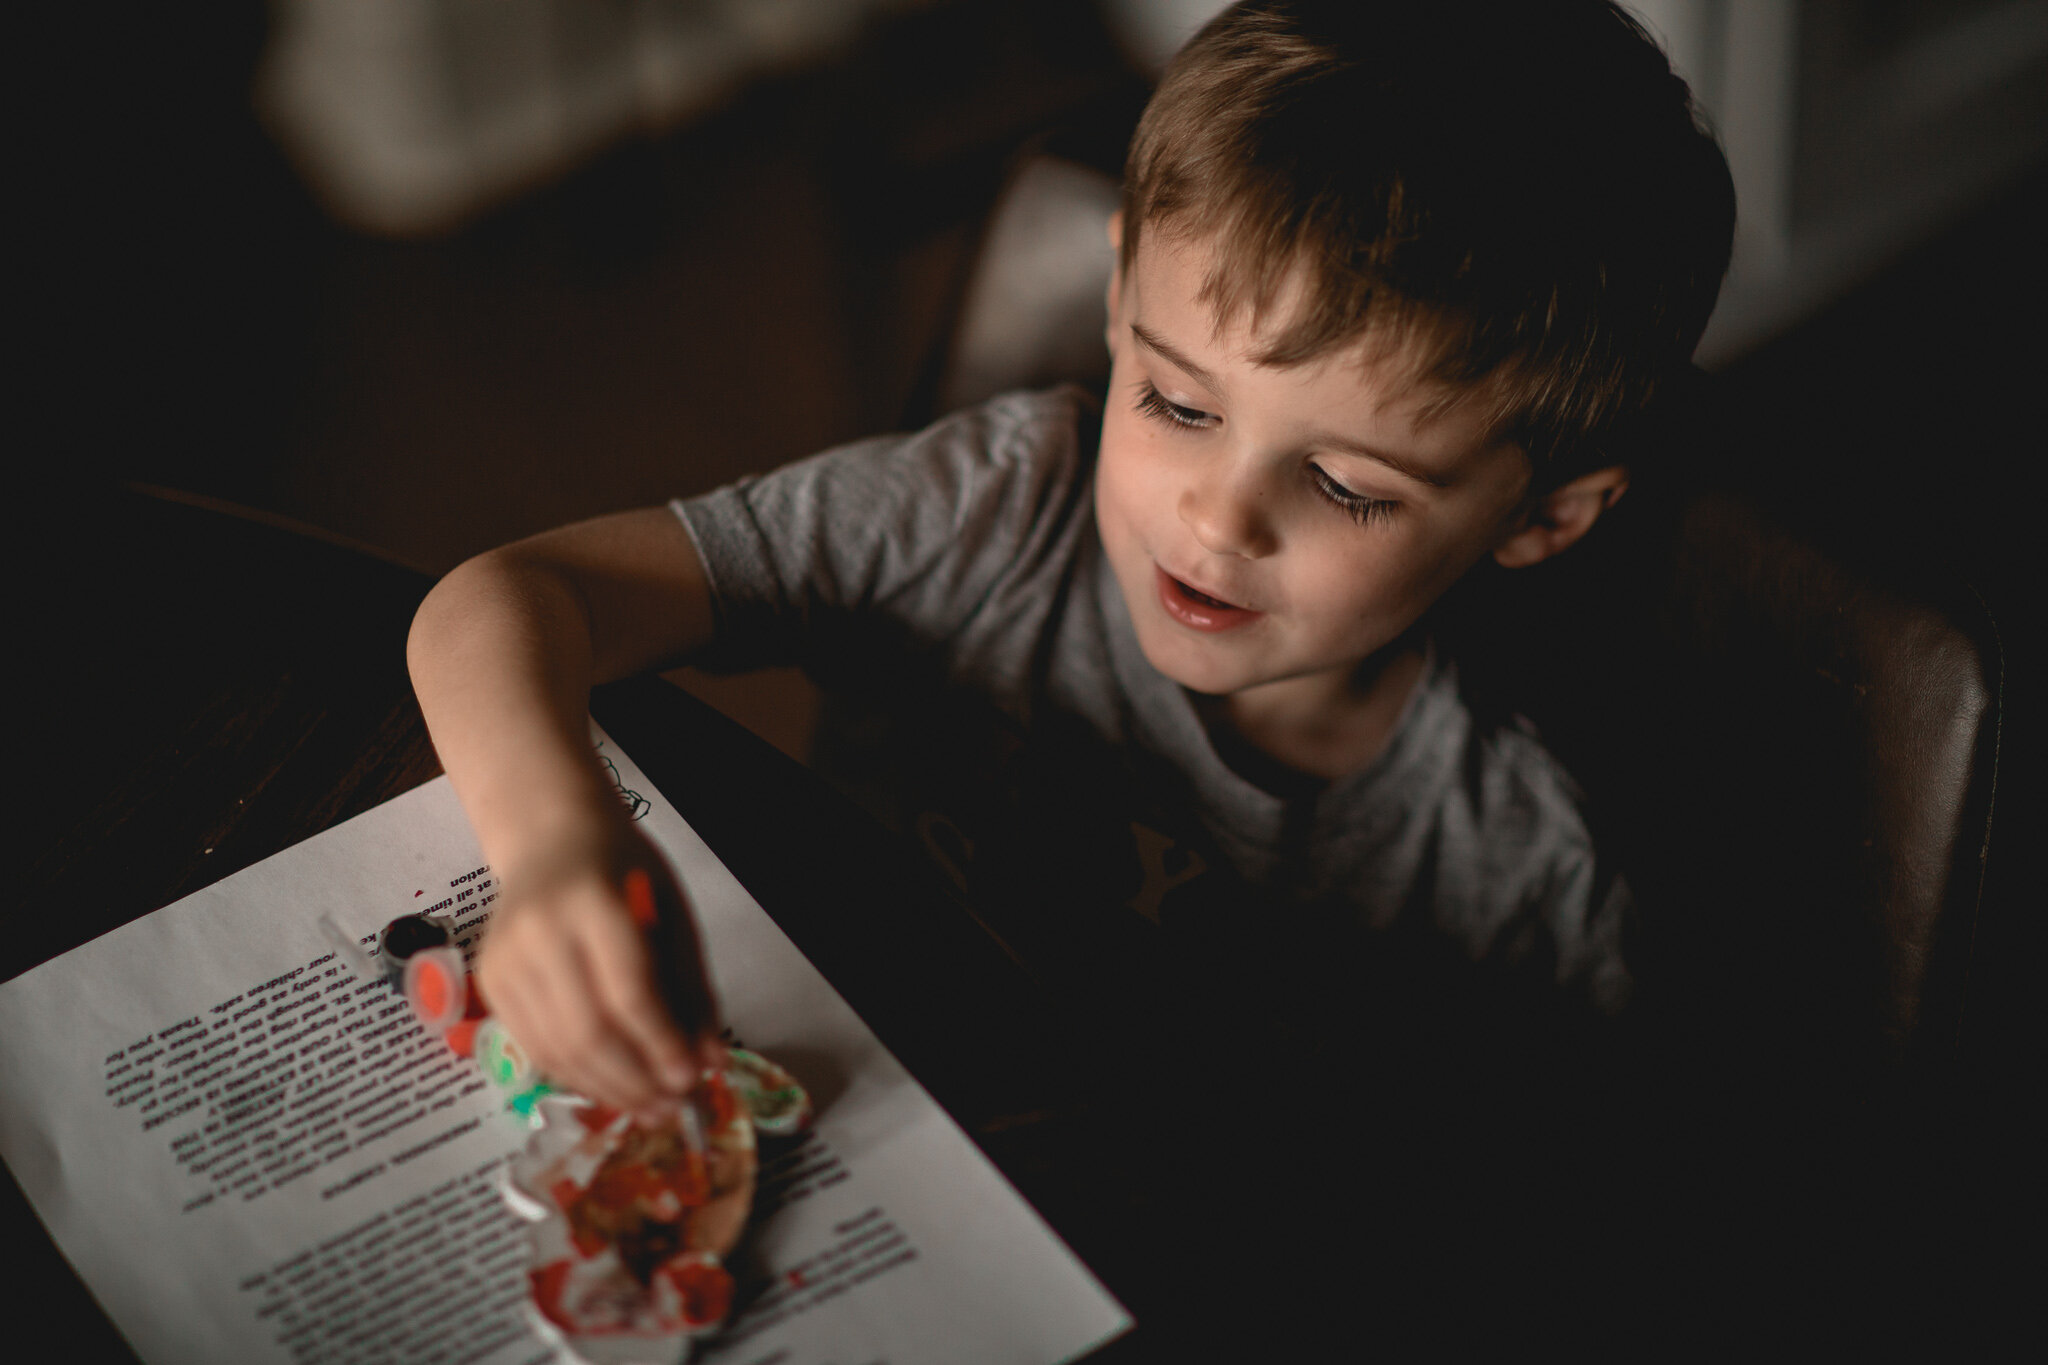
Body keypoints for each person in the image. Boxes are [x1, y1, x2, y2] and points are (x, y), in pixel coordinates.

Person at [406, 0, 1734, 1129]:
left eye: (1343, 486)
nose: (1216, 522)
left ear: (1543, 519)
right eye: (1176, 403)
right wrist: (556, 845)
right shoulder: (997, 513)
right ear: (1119, 302)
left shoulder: (1510, 879)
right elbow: (501, 602)